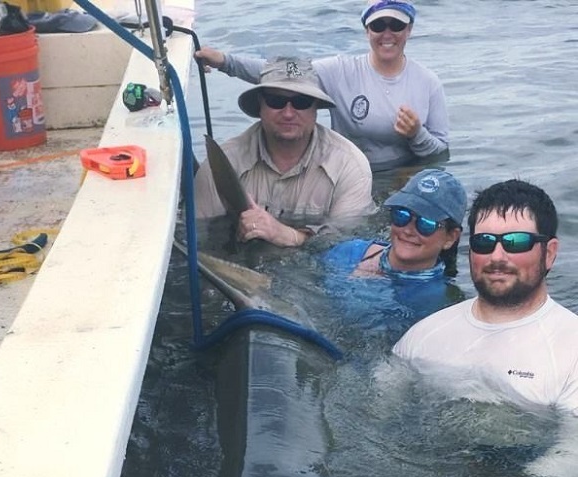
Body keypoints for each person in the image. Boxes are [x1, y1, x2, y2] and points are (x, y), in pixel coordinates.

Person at [393, 179, 578, 416]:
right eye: (484, 242)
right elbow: (375, 420)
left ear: (549, 253)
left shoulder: (571, 351)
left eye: (516, 242)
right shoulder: (420, 339)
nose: (497, 257)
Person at [195, 1, 449, 171]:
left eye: (397, 25)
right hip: (350, 174)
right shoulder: (340, 70)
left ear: (410, 30)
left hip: (405, 176)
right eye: (378, 25)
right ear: (366, 31)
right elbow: (283, 75)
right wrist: (224, 62)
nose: (387, 33)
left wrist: (417, 134)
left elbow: (440, 153)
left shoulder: (428, 83)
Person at [193, 57, 374, 247]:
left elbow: (349, 242)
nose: (288, 113)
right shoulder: (223, 163)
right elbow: (200, 240)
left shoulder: (349, 165)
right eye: (276, 100)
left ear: (316, 107)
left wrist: (290, 236)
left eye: (301, 102)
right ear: (260, 104)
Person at [322, 168, 466, 335]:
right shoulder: (350, 251)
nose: (408, 230)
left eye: (426, 224)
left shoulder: (438, 303)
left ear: (450, 237)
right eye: (402, 215)